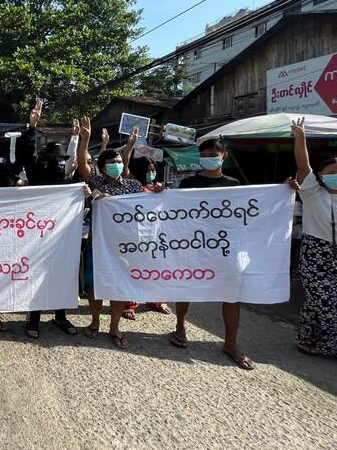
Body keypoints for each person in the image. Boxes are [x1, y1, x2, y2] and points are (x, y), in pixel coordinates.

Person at [170, 137, 255, 369]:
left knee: (231, 294)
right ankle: (180, 326)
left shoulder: (234, 185)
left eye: (213, 155)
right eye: (204, 155)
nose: (208, 159)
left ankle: (230, 343)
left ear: (223, 156)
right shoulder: (188, 183)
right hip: (193, 246)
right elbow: (174, 211)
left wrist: (287, 190)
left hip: (225, 248)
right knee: (187, 286)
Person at [78, 116, 155, 349]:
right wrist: (85, 141)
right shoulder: (96, 183)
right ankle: (94, 322)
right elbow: (82, 165)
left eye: (120, 161)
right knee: (95, 283)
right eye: (112, 161)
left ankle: (114, 327)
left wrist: (160, 191)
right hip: (98, 242)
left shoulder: (132, 186)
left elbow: (149, 202)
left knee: (120, 283)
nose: (117, 164)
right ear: (102, 167)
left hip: (126, 244)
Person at [17, 100, 79, 339]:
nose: (58, 162)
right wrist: (32, 126)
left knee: (62, 273)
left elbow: (75, 161)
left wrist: (76, 138)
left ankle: (60, 315)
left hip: (62, 236)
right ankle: (33, 318)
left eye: (60, 160)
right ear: (44, 159)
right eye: (54, 159)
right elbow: (28, 151)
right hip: (36, 236)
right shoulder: (36, 173)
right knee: (36, 275)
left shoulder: (66, 179)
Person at [290, 117, 337, 357]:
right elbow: (302, 165)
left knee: (314, 303)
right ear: (320, 175)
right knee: (328, 303)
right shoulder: (312, 193)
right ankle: (331, 346)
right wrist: (301, 137)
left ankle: (306, 338)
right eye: (332, 172)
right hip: (315, 255)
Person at [122, 157, 172, 318]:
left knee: (156, 269)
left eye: (153, 170)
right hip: (135, 236)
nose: (151, 173)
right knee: (135, 269)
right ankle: (130, 302)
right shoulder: (132, 188)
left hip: (156, 236)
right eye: (148, 170)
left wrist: (164, 192)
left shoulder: (158, 188)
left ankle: (155, 300)